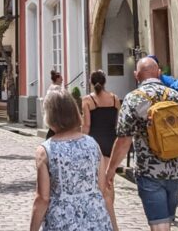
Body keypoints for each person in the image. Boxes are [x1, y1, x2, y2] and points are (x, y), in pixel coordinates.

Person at [105, 57, 178, 231]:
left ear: (137, 75)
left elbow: (123, 140)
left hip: (149, 172)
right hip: (177, 172)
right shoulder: (176, 96)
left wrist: (110, 170)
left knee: (160, 225)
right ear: (159, 73)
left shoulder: (133, 99)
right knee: (167, 221)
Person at [29, 90, 114, 231]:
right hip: (97, 220)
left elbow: (42, 199)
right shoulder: (93, 144)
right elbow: (103, 191)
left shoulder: (45, 151)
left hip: (62, 222)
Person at [82, 70, 120, 231]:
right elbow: (117, 123)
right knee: (110, 183)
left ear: (91, 82)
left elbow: (87, 126)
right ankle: (106, 218)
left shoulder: (88, 100)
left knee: (101, 186)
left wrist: (81, 144)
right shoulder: (114, 99)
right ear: (105, 82)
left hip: (95, 144)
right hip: (111, 143)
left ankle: (112, 224)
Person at [44, 69, 64, 139]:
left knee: (54, 129)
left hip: (51, 111)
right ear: (57, 79)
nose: (62, 80)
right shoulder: (57, 88)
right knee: (55, 129)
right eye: (61, 78)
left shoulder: (51, 87)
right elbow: (60, 100)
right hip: (56, 111)